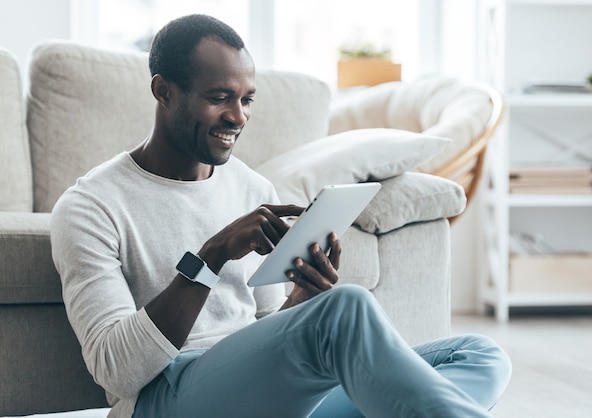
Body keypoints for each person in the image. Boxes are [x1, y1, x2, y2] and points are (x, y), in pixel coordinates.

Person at [50, 14, 511, 418]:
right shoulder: (92, 205)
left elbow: (264, 333)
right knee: (348, 306)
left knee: (478, 355)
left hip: (257, 396)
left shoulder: (252, 188)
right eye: (219, 97)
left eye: (246, 99)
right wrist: (210, 258)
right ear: (163, 91)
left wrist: (302, 300)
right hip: (165, 398)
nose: (238, 117)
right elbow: (115, 368)